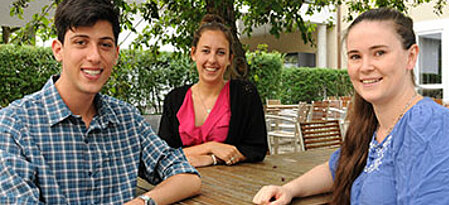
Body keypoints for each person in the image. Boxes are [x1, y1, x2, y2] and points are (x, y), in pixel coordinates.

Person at [253, 8, 449, 205]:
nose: (365, 67)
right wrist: (289, 189)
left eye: (379, 53)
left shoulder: (429, 127)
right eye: (355, 56)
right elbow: (337, 168)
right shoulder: (373, 126)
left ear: (411, 57)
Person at [0, 0, 201, 204]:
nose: (95, 56)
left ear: (116, 54)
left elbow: (187, 176)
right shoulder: (15, 125)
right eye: (81, 42)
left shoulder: (126, 119)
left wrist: (142, 202)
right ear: (58, 50)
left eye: (105, 44)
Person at [158, 14, 268, 167]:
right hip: (181, 182)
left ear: (230, 59)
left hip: (236, 184)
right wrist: (210, 147)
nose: (212, 60)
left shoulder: (245, 94)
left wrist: (212, 159)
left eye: (221, 52)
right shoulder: (175, 99)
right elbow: (162, 153)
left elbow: (257, 148)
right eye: (206, 51)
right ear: (193, 54)